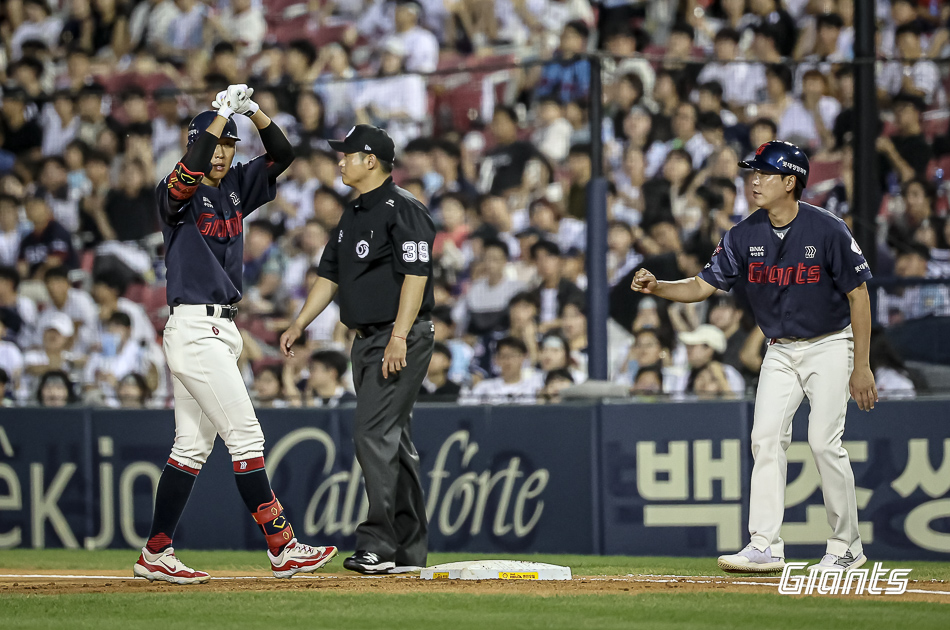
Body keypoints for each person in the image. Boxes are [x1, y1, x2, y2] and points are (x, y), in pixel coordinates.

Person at [631, 140, 877, 575]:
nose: (754, 180)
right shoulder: (744, 234)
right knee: (765, 440)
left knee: (823, 442)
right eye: (753, 172)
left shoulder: (828, 228)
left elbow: (858, 295)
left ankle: (846, 547)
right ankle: (764, 543)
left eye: (764, 173)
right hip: (780, 349)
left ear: (791, 182)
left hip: (831, 344)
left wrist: (861, 365)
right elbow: (703, 285)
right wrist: (659, 287)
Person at [135, 85, 337, 585]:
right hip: (194, 328)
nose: (223, 151)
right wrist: (218, 117)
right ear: (195, 144)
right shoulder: (172, 193)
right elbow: (189, 169)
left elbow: (283, 154)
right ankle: (282, 546)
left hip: (219, 328)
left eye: (230, 143)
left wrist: (252, 114)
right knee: (245, 436)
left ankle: (156, 552)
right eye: (215, 143)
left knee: (190, 450)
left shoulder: (232, 188)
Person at [279, 124, 435, 576]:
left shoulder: (403, 208)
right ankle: (407, 549)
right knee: (394, 441)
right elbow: (329, 275)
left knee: (372, 434)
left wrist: (400, 336)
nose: (340, 160)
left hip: (396, 336)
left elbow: (416, 274)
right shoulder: (353, 214)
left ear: (371, 160)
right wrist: (299, 322)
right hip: (367, 340)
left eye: (347, 154)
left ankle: (378, 545)